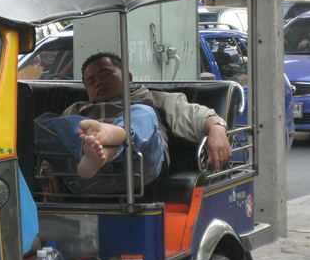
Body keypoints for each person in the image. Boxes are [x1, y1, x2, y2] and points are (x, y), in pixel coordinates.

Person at [34, 52, 232, 194]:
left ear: (128, 77)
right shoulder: (76, 110)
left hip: (138, 170)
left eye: (105, 73)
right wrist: (47, 167)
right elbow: (53, 141)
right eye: (91, 81)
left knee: (143, 113)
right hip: (85, 177)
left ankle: (116, 137)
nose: (98, 82)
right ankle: (96, 151)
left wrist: (217, 128)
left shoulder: (154, 98)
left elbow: (201, 116)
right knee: (45, 122)